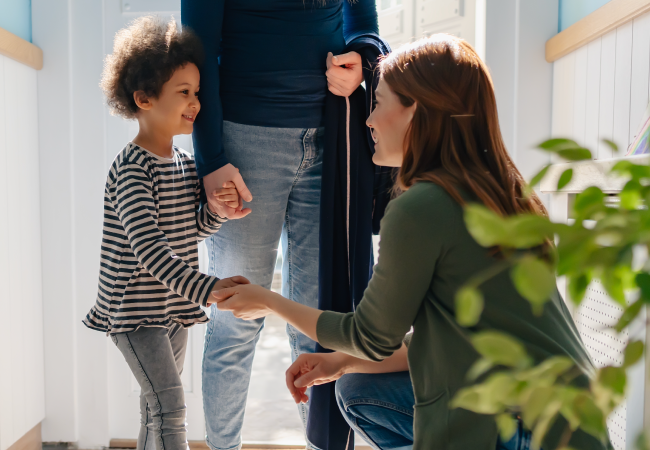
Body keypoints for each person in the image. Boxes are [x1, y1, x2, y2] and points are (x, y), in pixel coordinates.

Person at [211, 35, 609, 450]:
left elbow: (370, 336)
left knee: (361, 387)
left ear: (414, 110)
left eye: (378, 103)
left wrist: (269, 301)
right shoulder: (505, 195)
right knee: (358, 389)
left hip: (525, 432)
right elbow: (451, 341)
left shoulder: (422, 207)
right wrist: (342, 361)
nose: (368, 120)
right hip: (573, 426)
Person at [180, 2, 381, 448]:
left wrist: (360, 65)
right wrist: (211, 159)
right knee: (236, 315)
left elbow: (364, 28)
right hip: (243, 143)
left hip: (332, 136)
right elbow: (197, 51)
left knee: (318, 321)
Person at [82, 17, 249, 450]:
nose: (196, 103)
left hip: (172, 306)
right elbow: (151, 252)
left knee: (156, 408)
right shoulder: (133, 170)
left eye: (197, 92)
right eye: (184, 93)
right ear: (144, 98)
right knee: (170, 409)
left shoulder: (183, 163)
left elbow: (190, 231)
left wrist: (215, 211)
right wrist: (209, 289)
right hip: (135, 313)